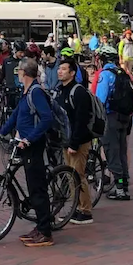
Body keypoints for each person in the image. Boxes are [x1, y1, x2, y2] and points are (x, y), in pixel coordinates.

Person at [0, 58, 54, 247]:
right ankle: (39, 226)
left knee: (37, 188)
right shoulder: (26, 91)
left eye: (18, 71)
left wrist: (29, 139)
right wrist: (0, 133)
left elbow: (47, 118)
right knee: (32, 185)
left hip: (33, 145)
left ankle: (45, 232)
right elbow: (16, 115)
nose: (17, 74)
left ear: (25, 73)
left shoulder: (35, 92)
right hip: (23, 144)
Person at [56, 55, 94, 225]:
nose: (60, 72)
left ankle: (85, 212)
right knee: (71, 175)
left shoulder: (78, 92)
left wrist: (74, 143)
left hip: (78, 142)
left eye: (64, 69)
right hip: (66, 140)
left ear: (72, 73)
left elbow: (81, 120)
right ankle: (76, 208)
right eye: (59, 68)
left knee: (78, 175)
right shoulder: (60, 90)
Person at [95, 45, 131, 200]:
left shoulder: (106, 75)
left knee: (111, 150)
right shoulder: (122, 73)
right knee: (122, 150)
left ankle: (119, 188)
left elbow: (99, 100)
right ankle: (124, 182)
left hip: (111, 117)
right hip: (125, 117)